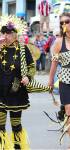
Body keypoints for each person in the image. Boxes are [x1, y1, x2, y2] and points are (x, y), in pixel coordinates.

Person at [0, 16, 36, 149]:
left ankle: (18, 147)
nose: (5, 36)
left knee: (16, 125)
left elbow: (32, 66)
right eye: (3, 32)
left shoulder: (22, 48)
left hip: (16, 92)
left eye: (8, 33)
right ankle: (1, 148)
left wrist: (28, 77)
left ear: (15, 35)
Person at [48, 12, 70, 145]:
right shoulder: (58, 42)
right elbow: (54, 63)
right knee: (69, 110)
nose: (64, 24)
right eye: (62, 23)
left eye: (67, 21)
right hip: (65, 80)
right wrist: (50, 81)